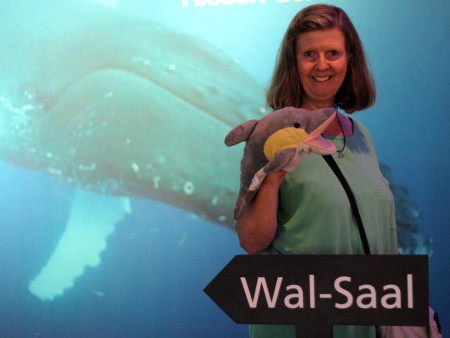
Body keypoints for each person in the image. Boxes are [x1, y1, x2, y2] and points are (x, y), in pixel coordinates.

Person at [235, 4, 397, 338]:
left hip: (363, 324)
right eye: (310, 54)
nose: (322, 65)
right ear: (294, 64)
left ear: (349, 59)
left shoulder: (361, 136)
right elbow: (251, 241)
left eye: (333, 53)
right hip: (301, 326)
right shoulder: (270, 135)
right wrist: (275, 174)